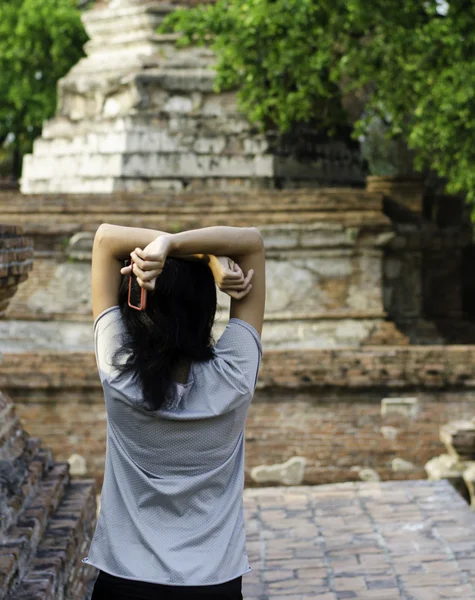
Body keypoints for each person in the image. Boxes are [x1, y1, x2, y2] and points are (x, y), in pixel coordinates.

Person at [83, 224, 266, 600]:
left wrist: (182, 252)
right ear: (208, 311)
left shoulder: (118, 373)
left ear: (138, 304)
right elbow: (252, 245)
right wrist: (191, 250)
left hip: (124, 581)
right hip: (214, 583)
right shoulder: (234, 377)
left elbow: (104, 241)